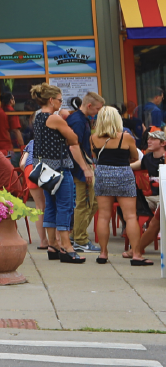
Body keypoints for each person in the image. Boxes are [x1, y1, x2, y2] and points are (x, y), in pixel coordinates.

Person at [31, 82, 90, 263]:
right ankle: (66, 246)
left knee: (51, 206)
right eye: (59, 100)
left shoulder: (38, 117)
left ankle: (52, 245)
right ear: (51, 100)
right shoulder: (54, 118)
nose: (61, 103)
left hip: (43, 169)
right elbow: (74, 139)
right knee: (65, 206)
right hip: (59, 167)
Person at [88, 105, 148, 265]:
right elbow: (135, 157)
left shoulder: (93, 138)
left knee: (103, 216)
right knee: (130, 216)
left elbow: (95, 156)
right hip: (123, 174)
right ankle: (136, 255)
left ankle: (103, 253)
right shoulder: (126, 137)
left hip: (102, 174)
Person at [66, 92, 104, 253]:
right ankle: (80, 239)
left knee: (92, 203)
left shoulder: (81, 119)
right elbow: (74, 146)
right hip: (80, 167)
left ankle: (76, 235)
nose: (98, 112)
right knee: (85, 203)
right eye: (97, 109)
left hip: (82, 165)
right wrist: (85, 168)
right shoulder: (78, 121)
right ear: (89, 106)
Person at [131, 129, 164, 254]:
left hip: (162, 197)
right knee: (129, 206)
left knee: (156, 221)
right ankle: (133, 241)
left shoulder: (165, 158)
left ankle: (136, 250)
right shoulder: (148, 158)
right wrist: (122, 168)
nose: (149, 141)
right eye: (148, 138)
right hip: (150, 197)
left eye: (153, 139)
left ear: (163, 143)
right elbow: (137, 165)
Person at [0, 92, 22, 165]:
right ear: (11, 101)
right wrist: (22, 146)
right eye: (13, 99)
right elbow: (16, 131)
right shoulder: (10, 112)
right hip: (10, 148)